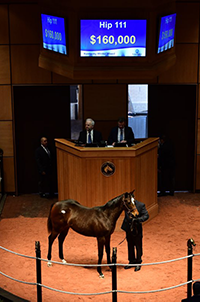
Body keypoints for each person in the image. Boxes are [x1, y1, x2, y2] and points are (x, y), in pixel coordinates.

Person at [121, 191, 149, 271]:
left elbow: (146, 215)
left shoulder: (141, 205)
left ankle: (138, 262)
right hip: (128, 228)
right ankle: (131, 261)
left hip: (137, 229)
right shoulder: (127, 205)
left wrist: (137, 219)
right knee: (130, 245)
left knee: (138, 245)